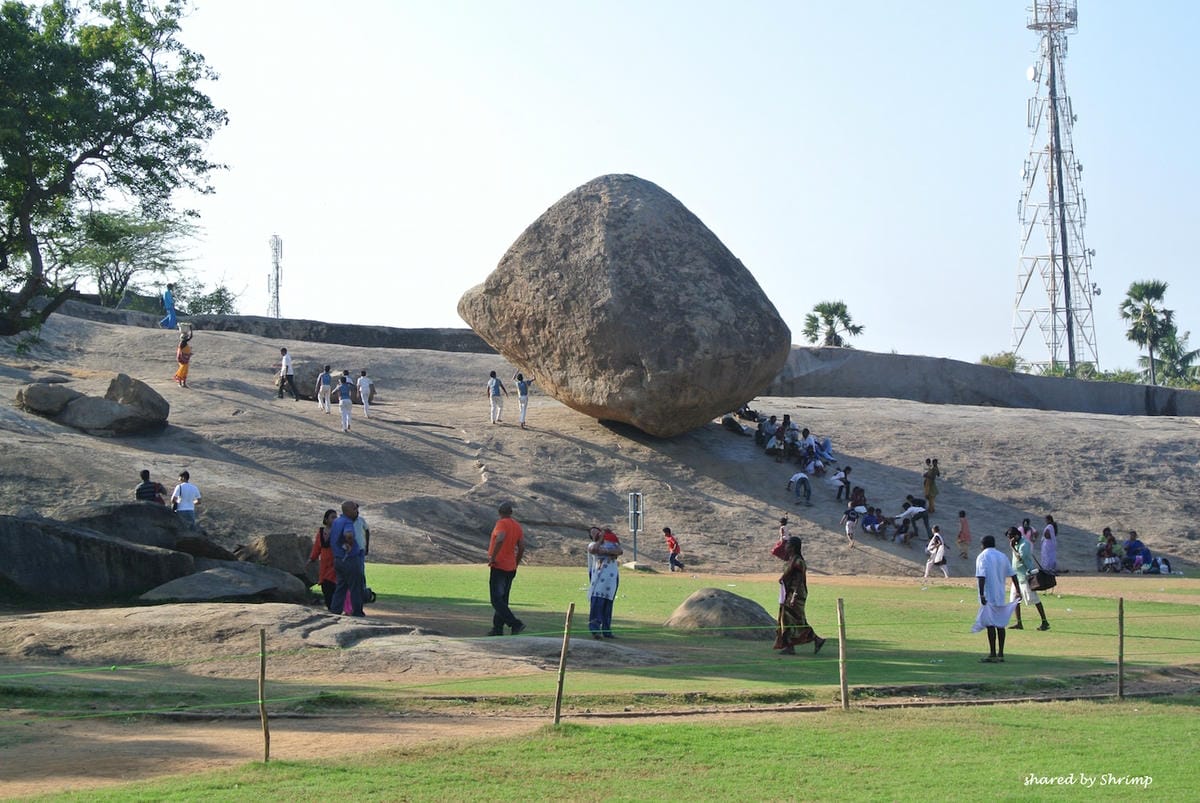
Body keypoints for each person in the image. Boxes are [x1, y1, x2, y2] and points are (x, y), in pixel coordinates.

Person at [773, 536, 827, 656]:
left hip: (796, 593)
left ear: (793, 547)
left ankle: (811, 640)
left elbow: (799, 579)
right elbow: (776, 552)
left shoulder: (798, 561)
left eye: (788, 545)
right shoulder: (790, 559)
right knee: (788, 619)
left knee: (795, 619)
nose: (785, 546)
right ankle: (792, 646)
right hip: (788, 593)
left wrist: (794, 596)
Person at [973, 534, 1021, 663]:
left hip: (989, 594)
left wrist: (982, 594)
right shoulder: (1002, 556)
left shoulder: (982, 556)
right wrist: (1018, 590)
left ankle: (993, 653)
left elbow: (981, 576)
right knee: (1000, 624)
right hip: (1000, 594)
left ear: (983, 544)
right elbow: (1013, 574)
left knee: (990, 624)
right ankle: (1001, 653)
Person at [486, 500, 526, 636]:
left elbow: (500, 538)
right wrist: (516, 562)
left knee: (496, 600)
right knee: (503, 600)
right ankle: (497, 629)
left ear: (499, 513)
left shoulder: (501, 523)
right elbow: (521, 546)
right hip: (511, 567)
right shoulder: (517, 526)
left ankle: (515, 623)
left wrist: (493, 556)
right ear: (511, 512)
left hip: (499, 566)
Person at [1008, 526, 1050, 631]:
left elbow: (1020, 558)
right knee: (1015, 600)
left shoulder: (1024, 544)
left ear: (1016, 536)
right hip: (1016, 577)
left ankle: (1045, 622)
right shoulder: (1017, 543)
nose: (1010, 540)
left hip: (1025, 576)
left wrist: (1012, 547)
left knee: (1034, 599)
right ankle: (1019, 623)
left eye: (1011, 537)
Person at [329, 501, 365, 616]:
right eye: (354, 509)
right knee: (356, 586)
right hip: (349, 558)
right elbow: (348, 534)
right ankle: (357, 612)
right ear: (348, 510)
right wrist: (349, 544)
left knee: (341, 586)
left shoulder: (337, 521)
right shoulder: (347, 522)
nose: (357, 511)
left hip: (338, 559)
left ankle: (335, 610)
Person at [587, 526, 622, 638]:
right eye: (593, 533)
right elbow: (594, 550)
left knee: (608, 604)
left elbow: (619, 551)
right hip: (598, 579)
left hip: (611, 579)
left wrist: (607, 549)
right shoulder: (592, 545)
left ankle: (607, 630)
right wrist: (607, 549)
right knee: (597, 603)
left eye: (598, 531)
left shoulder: (610, 543)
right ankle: (595, 629)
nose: (596, 533)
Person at [308, 509, 337, 610]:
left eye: (335, 517)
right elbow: (317, 547)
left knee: (333, 584)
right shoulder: (320, 532)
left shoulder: (338, 532)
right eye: (332, 517)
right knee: (325, 586)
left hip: (335, 564)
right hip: (324, 565)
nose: (335, 519)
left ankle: (335, 608)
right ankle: (330, 608)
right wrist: (312, 559)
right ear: (326, 519)